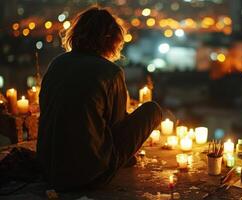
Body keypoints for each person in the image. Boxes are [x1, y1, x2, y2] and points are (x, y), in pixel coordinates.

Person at [37, 6, 162, 190]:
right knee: (152, 110)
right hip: (89, 175)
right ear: (112, 40)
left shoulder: (58, 63)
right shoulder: (110, 72)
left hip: (49, 169)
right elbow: (117, 126)